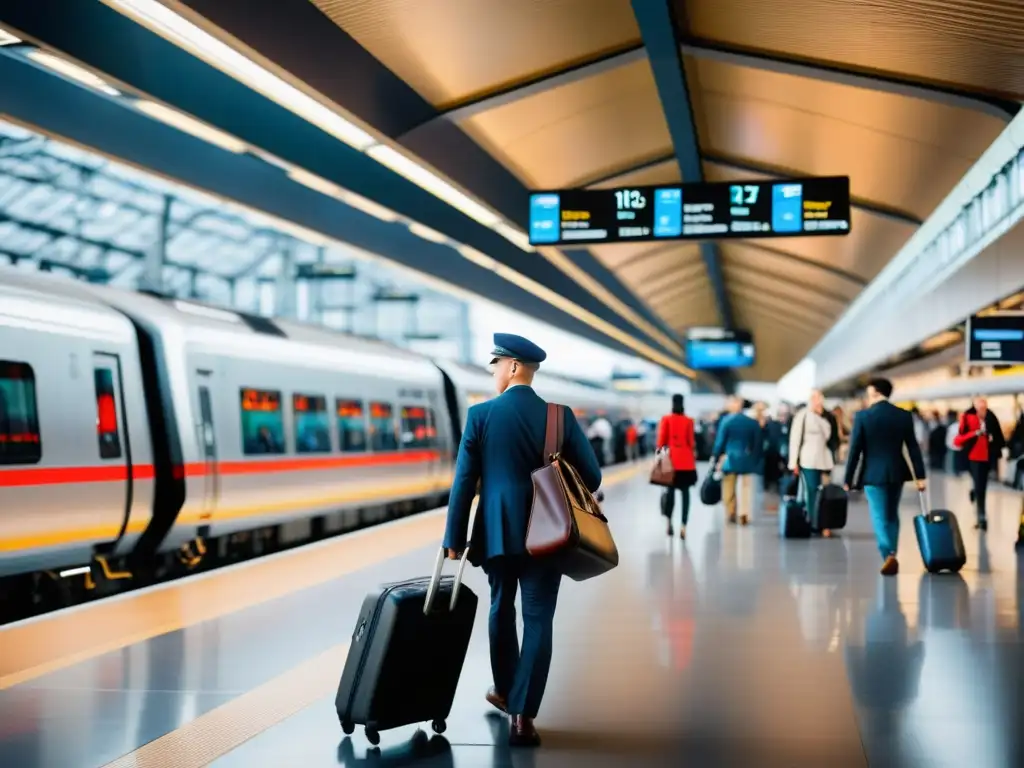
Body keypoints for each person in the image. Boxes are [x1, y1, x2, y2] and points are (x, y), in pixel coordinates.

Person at [442, 333, 601, 747]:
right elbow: (594, 477)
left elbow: (463, 483)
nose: (493, 371)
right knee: (538, 619)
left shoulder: (480, 416)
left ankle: (505, 688)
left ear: (513, 366)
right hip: (549, 534)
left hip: (497, 532)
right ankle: (523, 716)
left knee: (500, 608)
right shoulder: (559, 417)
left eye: (496, 364)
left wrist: (453, 537)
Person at [843, 378, 926, 576]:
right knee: (892, 513)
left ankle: (887, 553)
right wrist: (920, 476)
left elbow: (855, 450)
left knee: (879, 515)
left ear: (874, 393)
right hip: (897, 471)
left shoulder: (863, 416)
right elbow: (913, 447)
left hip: (872, 474)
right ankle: (892, 552)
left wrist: (848, 478)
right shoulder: (903, 416)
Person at [953, 396, 1004, 531]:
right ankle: (977, 503)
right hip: (971, 457)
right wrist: (975, 433)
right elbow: (959, 439)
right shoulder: (968, 416)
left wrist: (995, 449)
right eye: (980, 408)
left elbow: (998, 436)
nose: (983, 410)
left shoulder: (991, 417)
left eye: (984, 407)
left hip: (985, 458)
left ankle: (981, 516)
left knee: (981, 486)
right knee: (978, 485)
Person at [789, 390, 836, 537]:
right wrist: (793, 462)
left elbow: (831, 436)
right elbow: (795, 440)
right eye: (813, 398)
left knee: (825, 493)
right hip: (808, 459)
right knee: (811, 491)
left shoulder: (827, 416)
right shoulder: (802, 415)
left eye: (819, 398)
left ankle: (825, 522)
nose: (817, 401)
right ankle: (813, 522)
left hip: (825, 458)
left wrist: (821, 416)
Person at [711, 396, 763, 525]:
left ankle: (730, 511)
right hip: (747, 458)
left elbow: (720, 442)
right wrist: (755, 459)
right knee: (745, 487)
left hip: (730, 458)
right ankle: (744, 513)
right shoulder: (752, 422)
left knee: (728, 485)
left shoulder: (726, 421)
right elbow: (757, 444)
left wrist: (716, 456)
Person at [656, 394, 698, 539]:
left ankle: (669, 523)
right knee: (686, 495)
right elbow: (692, 443)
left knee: (670, 494)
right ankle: (684, 526)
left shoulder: (666, 419)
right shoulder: (689, 421)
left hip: (671, 461)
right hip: (686, 461)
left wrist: (659, 456)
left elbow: (661, 442)